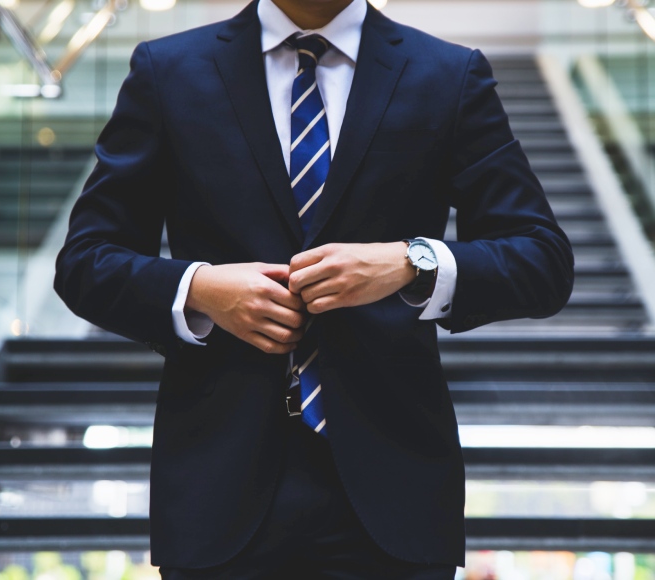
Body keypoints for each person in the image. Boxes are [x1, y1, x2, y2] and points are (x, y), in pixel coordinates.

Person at [54, 0, 574, 577]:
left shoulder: (448, 74)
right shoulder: (168, 69)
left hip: (394, 491)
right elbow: (84, 262)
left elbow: (541, 259)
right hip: (217, 487)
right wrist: (199, 287)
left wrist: (412, 261)